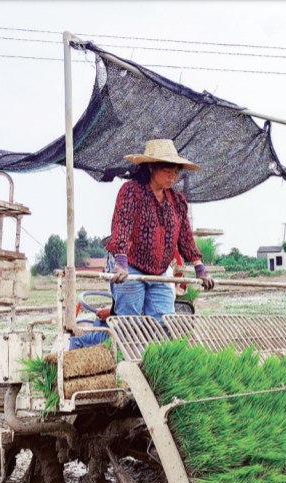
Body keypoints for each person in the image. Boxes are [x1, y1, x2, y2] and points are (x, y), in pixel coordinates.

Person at [68, 140, 213, 349]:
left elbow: (185, 237)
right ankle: (90, 346)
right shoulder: (132, 192)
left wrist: (199, 267)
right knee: (129, 325)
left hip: (160, 272)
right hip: (131, 267)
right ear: (151, 167)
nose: (172, 177)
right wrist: (120, 261)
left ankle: (154, 365)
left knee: (165, 324)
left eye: (175, 172)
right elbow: (122, 226)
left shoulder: (177, 201)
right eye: (167, 171)